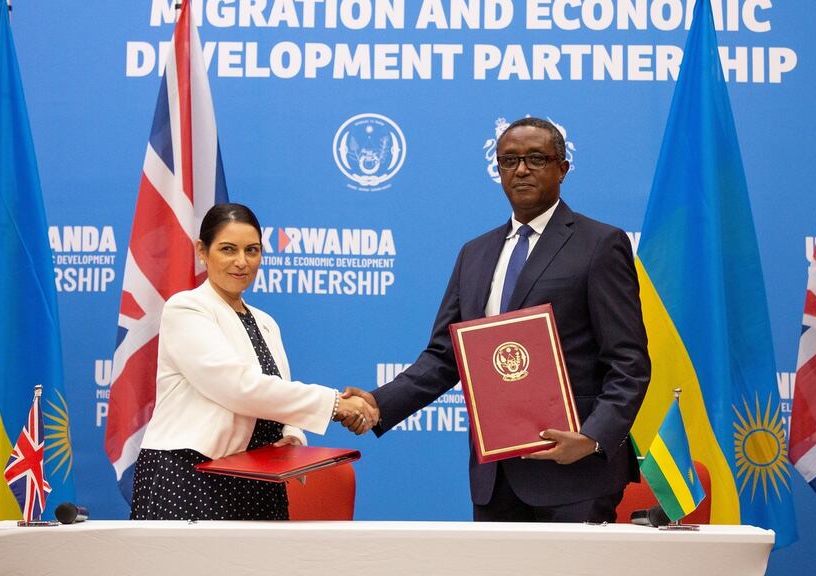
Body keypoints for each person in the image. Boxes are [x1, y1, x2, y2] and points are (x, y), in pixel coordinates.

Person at [342, 117, 650, 522]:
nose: (521, 170)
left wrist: (593, 438)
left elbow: (628, 362)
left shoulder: (600, 244)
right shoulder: (476, 253)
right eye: (509, 161)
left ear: (563, 168)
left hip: (575, 473)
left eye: (536, 158)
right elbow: (445, 355)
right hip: (496, 475)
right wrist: (380, 404)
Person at [130, 203, 376, 521]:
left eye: (252, 250)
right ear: (202, 251)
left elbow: (278, 397)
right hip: (190, 475)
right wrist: (335, 404)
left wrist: (291, 439)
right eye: (228, 249)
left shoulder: (266, 323)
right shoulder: (186, 308)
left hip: (259, 483)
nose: (241, 262)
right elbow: (238, 387)